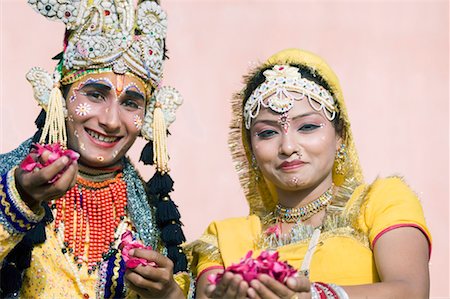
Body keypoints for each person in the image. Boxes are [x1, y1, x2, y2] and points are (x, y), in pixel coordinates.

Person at [187, 48, 431, 299]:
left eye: (308, 127)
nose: (288, 147)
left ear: (340, 137)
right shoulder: (225, 239)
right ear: (250, 149)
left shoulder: (380, 202)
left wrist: (314, 296)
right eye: (267, 132)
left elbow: (411, 291)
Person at [0, 0, 190, 298]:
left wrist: (169, 295)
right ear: (59, 95)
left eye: (130, 103)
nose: (112, 121)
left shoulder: (153, 217)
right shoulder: (9, 179)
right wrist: (20, 199)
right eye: (95, 94)